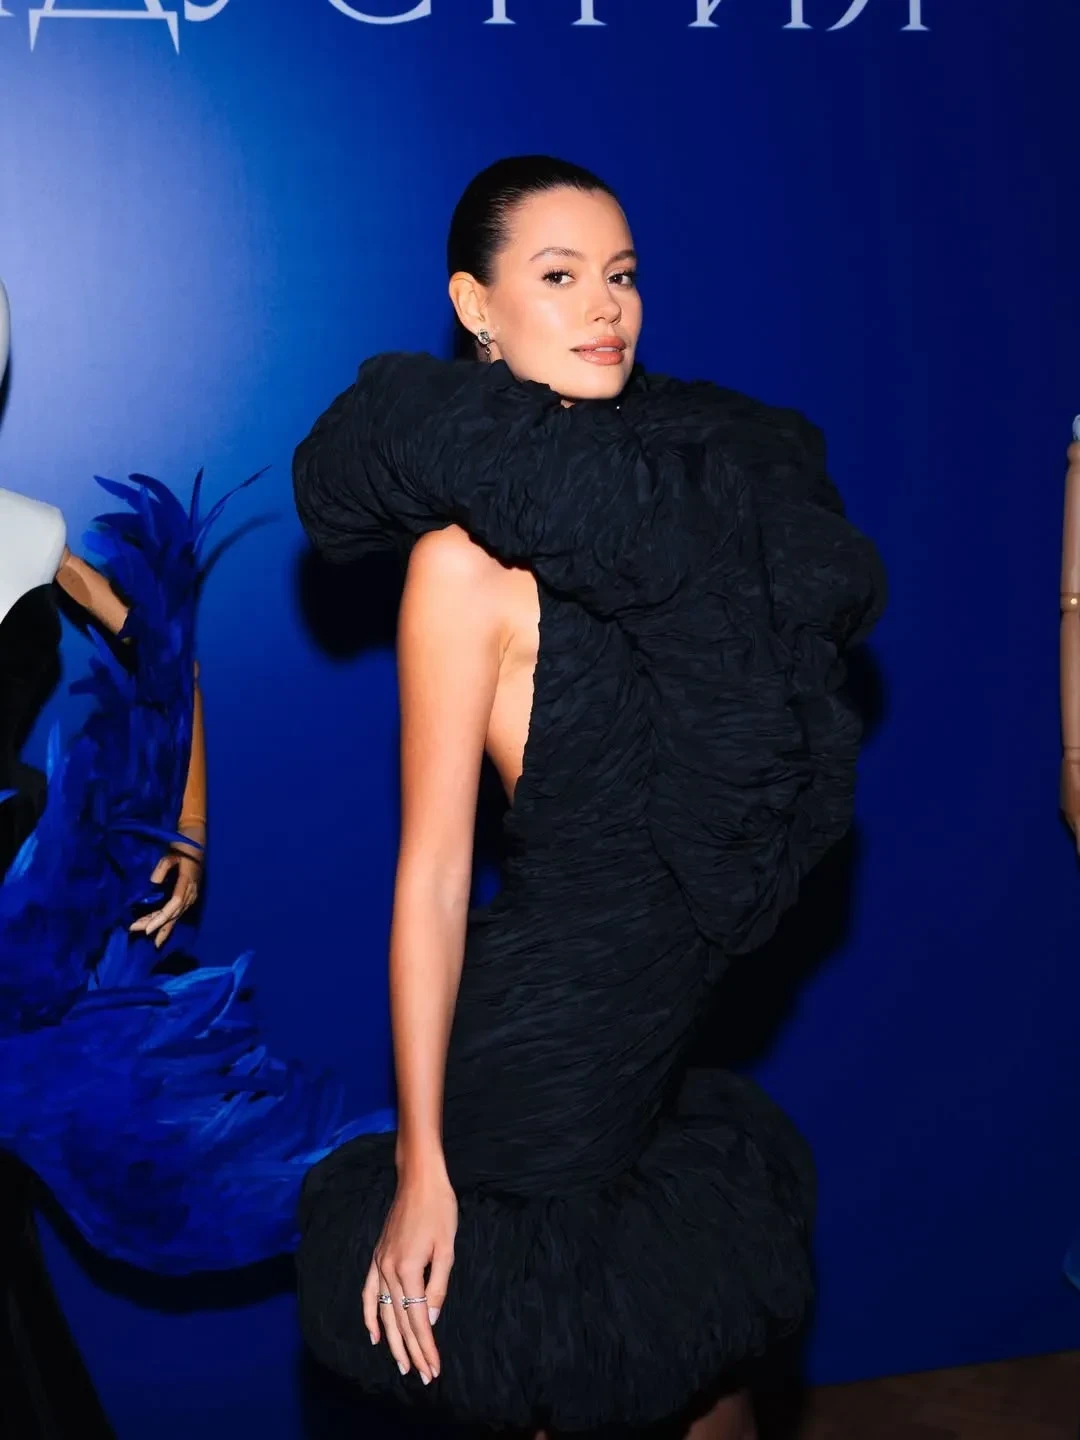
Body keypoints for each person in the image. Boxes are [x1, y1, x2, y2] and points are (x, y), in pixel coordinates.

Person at [293, 155, 886, 1438]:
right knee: (574, 1383)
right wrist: (424, 1163)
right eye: (558, 277)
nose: (605, 306)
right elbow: (434, 874)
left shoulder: (697, 513)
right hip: (541, 1082)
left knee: (709, 1372)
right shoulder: (460, 570)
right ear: (476, 307)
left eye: (620, 275)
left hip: (659, 1052)